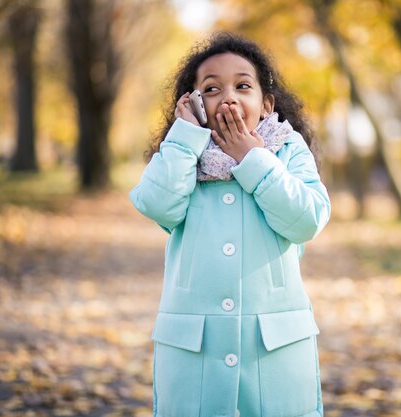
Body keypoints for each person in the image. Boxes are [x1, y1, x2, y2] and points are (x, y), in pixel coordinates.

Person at [129, 32, 331, 417]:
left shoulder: (287, 151)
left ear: (266, 103)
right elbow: (157, 204)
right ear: (192, 104)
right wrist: (186, 136)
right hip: (195, 352)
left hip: (273, 352)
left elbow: (307, 220)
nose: (229, 97)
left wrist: (252, 158)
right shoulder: (182, 154)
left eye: (243, 85)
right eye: (211, 88)